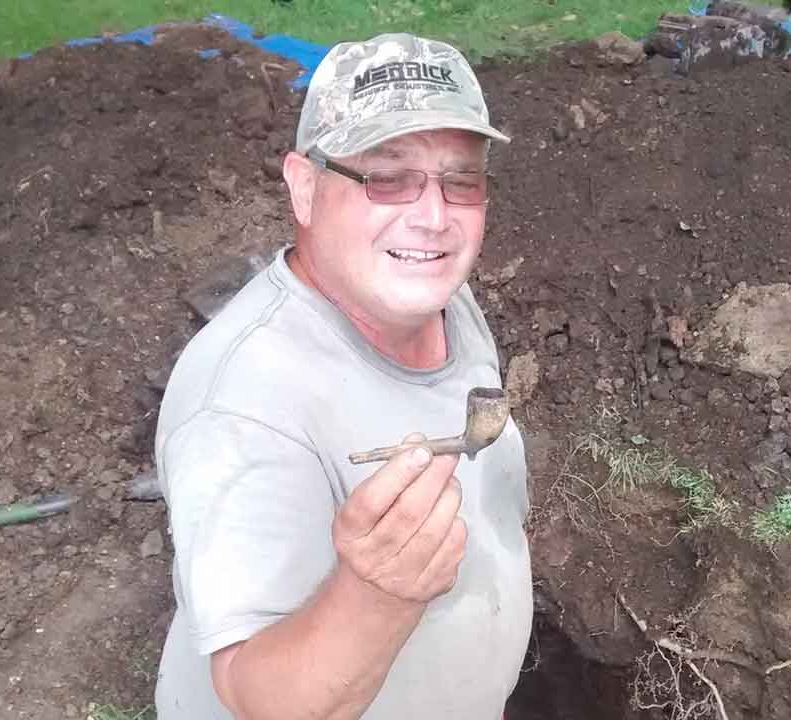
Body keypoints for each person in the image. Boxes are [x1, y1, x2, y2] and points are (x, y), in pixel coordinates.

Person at [151, 32, 534, 720]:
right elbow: (257, 698)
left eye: (461, 180)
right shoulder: (244, 405)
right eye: (387, 176)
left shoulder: (441, 297)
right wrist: (377, 594)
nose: (434, 217)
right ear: (304, 185)